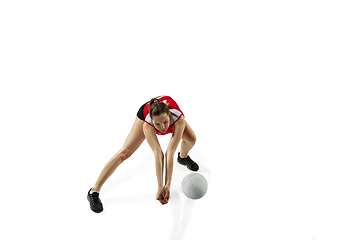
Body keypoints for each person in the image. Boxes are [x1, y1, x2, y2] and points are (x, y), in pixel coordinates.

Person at [87, 95, 199, 213]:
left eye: (165, 122)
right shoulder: (147, 124)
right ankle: (94, 191)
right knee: (125, 153)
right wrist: (160, 187)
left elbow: (170, 152)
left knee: (191, 139)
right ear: (152, 122)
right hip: (146, 111)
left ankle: (183, 157)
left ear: (170, 116)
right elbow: (158, 153)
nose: (163, 127)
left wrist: (168, 186)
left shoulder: (178, 119)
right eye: (158, 124)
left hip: (164, 112)